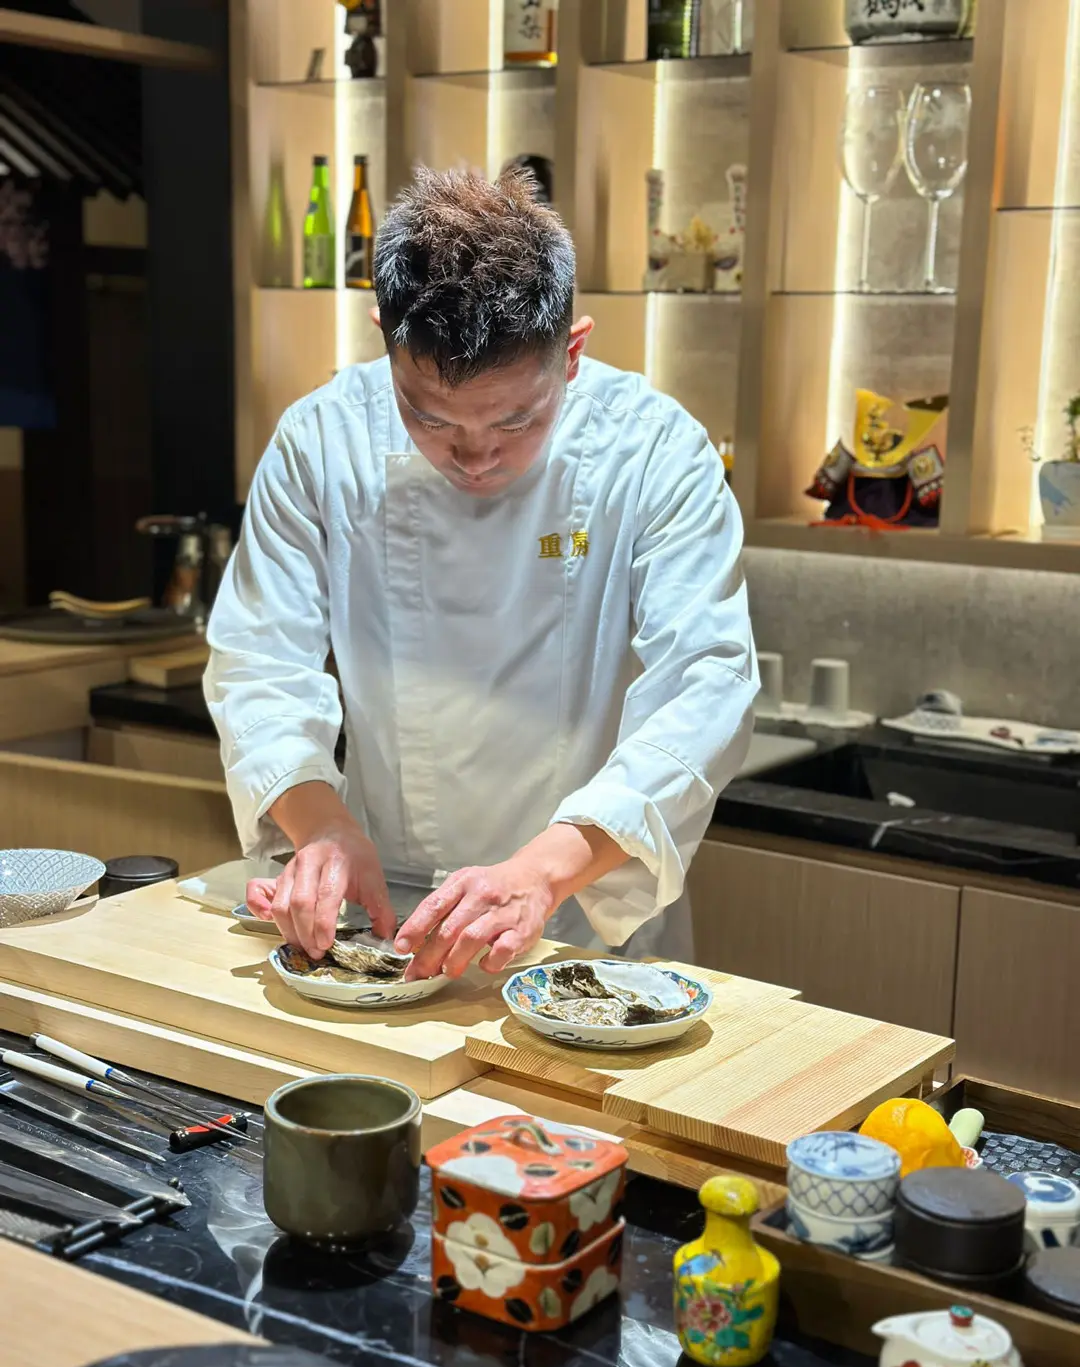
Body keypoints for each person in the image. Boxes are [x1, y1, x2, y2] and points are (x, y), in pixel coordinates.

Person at [204, 167, 757, 980]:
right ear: (384, 339)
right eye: (428, 416)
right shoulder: (320, 441)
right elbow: (258, 664)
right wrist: (320, 827)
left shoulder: (655, 452)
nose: (474, 457)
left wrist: (542, 873)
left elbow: (706, 684)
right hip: (378, 909)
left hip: (584, 911)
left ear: (573, 353)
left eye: (515, 420)